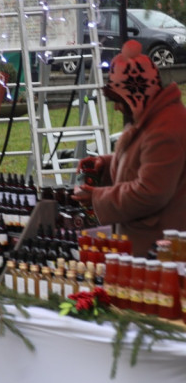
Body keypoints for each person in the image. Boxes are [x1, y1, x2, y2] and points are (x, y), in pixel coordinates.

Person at [73, 40, 186, 255]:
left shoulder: (166, 129)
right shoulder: (153, 118)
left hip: (159, 252)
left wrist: (97, 197)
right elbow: (140, 160)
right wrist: (104, 164)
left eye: (118, 99)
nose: (116, 106)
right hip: (146, 243)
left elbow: (149, 193)